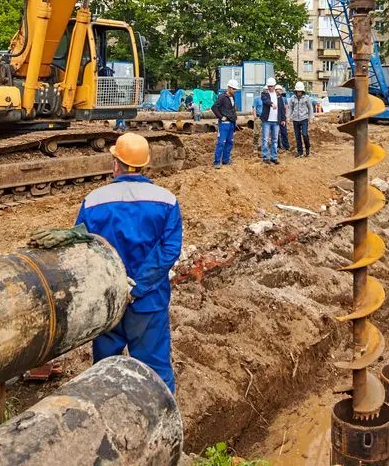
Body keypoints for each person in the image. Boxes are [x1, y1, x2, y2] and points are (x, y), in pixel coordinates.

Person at [29, 133, 182, 394]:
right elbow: (169, 250)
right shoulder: (166, 200)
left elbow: (86, 248)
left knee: (104, 372)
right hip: (147, 302)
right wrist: (137, 288)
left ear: (116, 163)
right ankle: (160, 417)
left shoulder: (95, 200)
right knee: (155, 370)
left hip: (108, 300)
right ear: (145, 164)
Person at [211, 79, 239, 168]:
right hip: (224, 124)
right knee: (221, 142)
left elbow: (232, 109)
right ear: (229, 88)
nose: (235, 91)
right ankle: (216, 162)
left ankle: (226, 160)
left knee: (229, 142)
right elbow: (214, 107)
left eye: (235, 89)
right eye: (234, 89)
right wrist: (220, 117)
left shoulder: (233, 97)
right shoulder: (222, 97)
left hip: (231, 123)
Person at [259, 77, 284, 165]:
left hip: (276, 121)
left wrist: (283, 119)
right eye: (269, 86)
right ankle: (265, 157)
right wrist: (271, 104)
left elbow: (281, 108)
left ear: (274, 86)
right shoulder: (264, 94)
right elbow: (265, 101)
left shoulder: (278, 95)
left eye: (271, 86)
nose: (270, 88)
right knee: (265, 139)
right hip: (267, 120)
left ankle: (274, 157)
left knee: (275, 140)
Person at [288, 81, 315, 157]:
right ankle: (300, 152)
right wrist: (288, 117)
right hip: (295, 120)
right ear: (295, 90)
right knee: (297, 136)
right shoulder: (292, 98)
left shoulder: (306, 98)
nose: (299, 92)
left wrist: (311, 117)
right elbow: (290, 108)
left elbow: (310, 108)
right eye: (298, 91)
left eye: (300, 91)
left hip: (304, 119)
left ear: (302, 91)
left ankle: (307, 148)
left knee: (304, 134)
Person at [276, 85, 290, 152]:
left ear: (281, 91)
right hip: (275, 118)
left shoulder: (284, 99)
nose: (278, 91)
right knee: (276, 133)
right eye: (277, 90)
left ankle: (286, 146)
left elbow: (286, 108)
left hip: (282, 118)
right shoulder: (273, 98)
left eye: (280, 90)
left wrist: (286, 117)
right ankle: (278, 146)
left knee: (284, 132)